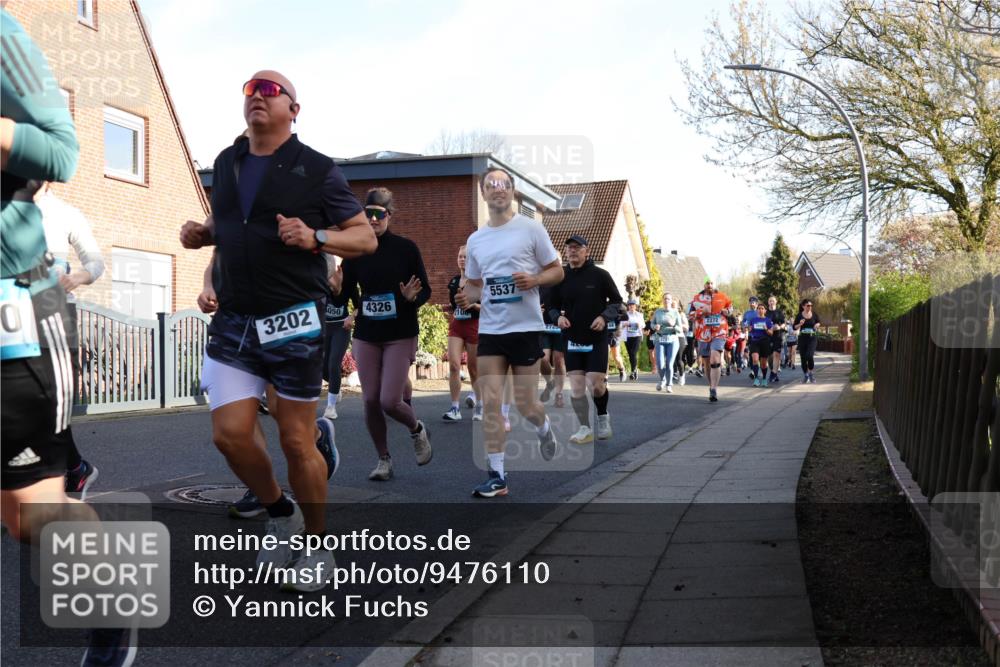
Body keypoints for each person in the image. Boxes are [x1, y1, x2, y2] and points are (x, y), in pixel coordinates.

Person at [179, 70, 376, 590]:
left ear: (294, 108)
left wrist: (315, 237)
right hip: (234, 322)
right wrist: (203, 234)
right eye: (250, 90)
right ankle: (280, 511)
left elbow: (364, 239)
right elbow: (228, 224)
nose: (257, 97)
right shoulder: (228, 162)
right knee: (229, 435)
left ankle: (318, 546)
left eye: (269, 90)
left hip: (293, 318)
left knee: (294, 439)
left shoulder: (317, 169)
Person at [0, 10, 131, 666]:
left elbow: (63, 151)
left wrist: (74, 280)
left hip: (28, 310)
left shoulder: (3, 35)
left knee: (29, 515)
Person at [457, 166, 563, 498]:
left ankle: (544, 427)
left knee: (526, 404)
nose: (498, 188)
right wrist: (467, 295)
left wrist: (535, 280)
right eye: (491, 184)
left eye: (504, 184)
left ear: (512, 191)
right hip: (491, 329)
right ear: (483, 193)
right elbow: (476, 284)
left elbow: (557, 270)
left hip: (525, 328)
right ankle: (497, 476)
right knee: (491, 402)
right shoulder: (476, 240)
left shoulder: (531, 229)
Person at [339, 187, 433, 480]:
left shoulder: (406, 249)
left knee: (389, 401)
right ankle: (384, 460)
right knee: (370, 400)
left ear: (389, 215)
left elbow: (425, 290)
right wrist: (336, 289)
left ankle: (417, 429)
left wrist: (411, 298)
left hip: (400, 332)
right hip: (367, 333)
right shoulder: (356, 252)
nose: (373, 219)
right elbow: (344, 293)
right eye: (368, 214)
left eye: (379, 214)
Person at [34, 183, 106, 497]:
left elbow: (95, 263)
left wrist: (77, 277)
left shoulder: (65, 214)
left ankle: (71, 469)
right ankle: (74, 467)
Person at [548, 235, 622, 443]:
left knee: (596, 385)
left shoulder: (600, 275)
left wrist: (604, 317)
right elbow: (550, 306)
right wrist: (558, 317)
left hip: (596, 337)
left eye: (577, 247)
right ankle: (584, 428)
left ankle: (603, 416)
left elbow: (616, 301)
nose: (572, 251)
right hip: (572, 338)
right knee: (577, 387)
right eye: (569, 248)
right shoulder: (560, 277)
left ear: (587, 252)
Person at [444, 245, 481, 422]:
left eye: (465, 257)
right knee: (453, 366)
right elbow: (455, 305)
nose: (462, 259)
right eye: (460, 256)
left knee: (474, 369)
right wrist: (450, 308)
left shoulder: (478, 282)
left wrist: (474, 306)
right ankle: (455, 408)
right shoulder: (453, 281)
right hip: (457, 325)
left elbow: (488, 306)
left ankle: (480, 405)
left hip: (474, 325)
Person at [690, 277, 733, 402]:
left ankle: (714, 388)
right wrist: (701, 312)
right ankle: (711, 386)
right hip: (703, 333)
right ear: (704, 285)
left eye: (711, 283)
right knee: (707, 362)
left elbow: (730, 308)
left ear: (714, 284)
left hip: (719, 332)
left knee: (715, 358)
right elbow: (690, 315)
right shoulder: (696, 298)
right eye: (707, 283)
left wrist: (727, 311)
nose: (709, 285)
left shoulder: (722, 296)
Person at [322, 256, 354, 419]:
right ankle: (336, 387)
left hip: (341, 328)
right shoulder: (319, 281)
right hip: (324, 328)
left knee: (334, 363)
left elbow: (359, 304)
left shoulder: (348, 282)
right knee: (323, 369)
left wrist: (352, 317)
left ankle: (331, 406)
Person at [538, 282, 566, 408]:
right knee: (542, 359)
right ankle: (550, 382)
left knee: (559, 360)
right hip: (543, 326)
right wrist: (535, 309)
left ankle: (559, 394)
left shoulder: (564, 282)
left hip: (560, 326)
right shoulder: (539, 282)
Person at [650, 293, 683, 392]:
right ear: (662, 300)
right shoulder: (658, 312)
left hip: (672, 339)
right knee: (660, 364)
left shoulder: (675, 312)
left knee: (669, 363)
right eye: (665, 299)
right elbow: (652, 323)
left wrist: (673, 325)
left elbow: (680, 329)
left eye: (668, 299)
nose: (666, 300)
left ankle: (669, 384)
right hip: (660, 339)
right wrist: (655, 327)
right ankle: (663, 379)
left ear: (671, 300)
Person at [745, 302, 775, 387]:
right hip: (755, 341)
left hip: (764, 342)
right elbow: (749, 330)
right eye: (759, 308)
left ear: (765, 311)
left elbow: (771, 333)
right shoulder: (753, 320)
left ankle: (764, 379)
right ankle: (756, 379)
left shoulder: (768, 320)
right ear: (757, 310)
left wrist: (766, 329)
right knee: (755, 360)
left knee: (763, 363)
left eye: (762, 308)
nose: (760, 310)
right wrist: (749, 329)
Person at [793, 299, 821, 383]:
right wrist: (800, 324)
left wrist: (817, 325)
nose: (810, 307)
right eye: (808, 305)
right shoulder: (799, 315)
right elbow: (794, 327)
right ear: (803, 306)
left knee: (809, 355)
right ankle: (806, 375)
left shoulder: (814, 314)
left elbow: (819, 322)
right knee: (803, 358)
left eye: (811, 305)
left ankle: (811, 373)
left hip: (812, 338)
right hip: (802, 338)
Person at [765, 295, 786, 384]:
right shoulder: (766, 313)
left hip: (778, 335)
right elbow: (763, 323)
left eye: (773, 301)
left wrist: (779, 327)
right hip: (768, 336)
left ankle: (773, 374)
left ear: (776, 302)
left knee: (776, 354)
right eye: (770, 301)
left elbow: (784, 323)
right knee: (770, 357)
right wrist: (769, 328)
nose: (771, 302)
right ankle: (775, 372)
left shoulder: (779, 312)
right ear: (768, 302)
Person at [623, 299, 645, 381]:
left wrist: (639, 325)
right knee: (630, 354)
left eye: (633, 305)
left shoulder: (639, 315)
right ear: (628, 306)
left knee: (633, 353)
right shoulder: (625, 315)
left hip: (637, 335)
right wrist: (625, 324)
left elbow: (643, 325)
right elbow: (621, 324)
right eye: (629, 305)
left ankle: (633, 371)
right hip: (627, 336)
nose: (631, 306)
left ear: (635, 306)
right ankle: (634, 369)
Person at [608, 315, 626, 382]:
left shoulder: (616, 311)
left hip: (615, 336)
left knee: (616, 357)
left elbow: (624, 316)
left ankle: (622, 370)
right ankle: (605, 377)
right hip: (605, 336)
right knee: (605, 357)